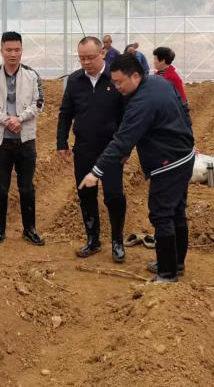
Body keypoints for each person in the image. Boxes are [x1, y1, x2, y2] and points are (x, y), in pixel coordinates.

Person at [78, 54, 195, 283]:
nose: (116, 87)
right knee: (177, 211)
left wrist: (96, 172)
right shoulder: (158, 82)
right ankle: (176, 263)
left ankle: (167, 274)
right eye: (114, 82)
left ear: (135, 76)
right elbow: (184, 107)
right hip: (183, 155)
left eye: (119, 82)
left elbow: (122, 139)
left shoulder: (142, 102)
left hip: (168, 163)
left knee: (161, 214)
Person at [56, 36, 127, 262]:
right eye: (82, 58)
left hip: (111, 149)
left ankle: (117, 241)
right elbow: (65, 113)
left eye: (90, 57)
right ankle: (93, 239)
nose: (86, 62)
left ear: (102, 54)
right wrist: (61, 142)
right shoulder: (75, 80)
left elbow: (126, 116)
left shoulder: (115, 79)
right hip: (84, 148)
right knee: (86, 194)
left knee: (114, 196)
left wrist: (125, 148)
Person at [0, 31, 45, 246]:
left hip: (26, 140)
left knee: (26, 187)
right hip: (1, 142)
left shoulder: (31, 75)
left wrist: (20, 118)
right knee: (1, 187)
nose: (13, 54)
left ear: (22, 51)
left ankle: (30, 229)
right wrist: (7, 120)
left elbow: (39, 103)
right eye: (8, 50)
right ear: (1, 50)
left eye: (17, 50)